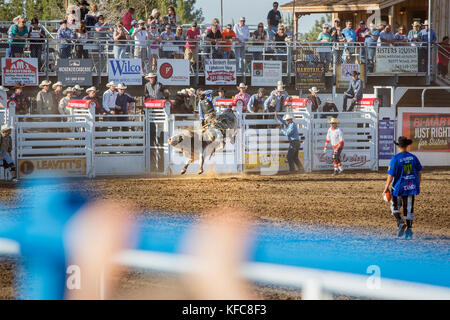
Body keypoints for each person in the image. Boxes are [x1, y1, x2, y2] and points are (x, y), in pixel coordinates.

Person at [383, 136, 422, 240]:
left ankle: (400, 222)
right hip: (411, 186)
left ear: (398, 146)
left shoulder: (395, 159)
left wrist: (386, 187)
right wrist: (418, 184)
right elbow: (419, 172)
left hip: (399, 187)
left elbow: (390, 175)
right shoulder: (413, 157)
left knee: (395, 206)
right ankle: (409, 229)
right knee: (408, 208)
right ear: (407, 146)